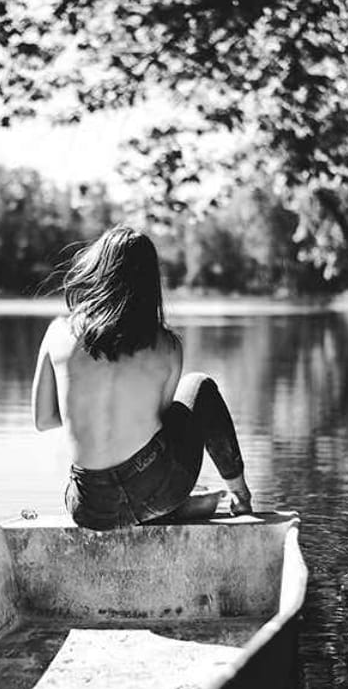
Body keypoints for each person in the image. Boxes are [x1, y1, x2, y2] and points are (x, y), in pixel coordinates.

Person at [31, 224, 253, 530]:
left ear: (99, 271)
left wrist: (84, 410)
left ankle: (166, 505)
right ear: (150, 282)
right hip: (157, 490)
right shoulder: (168, 346)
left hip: (88, 507)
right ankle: (238, 495)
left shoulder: (59, 332)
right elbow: (157, 425)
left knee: (125, 485)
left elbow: (43, 419)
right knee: (198, 386)